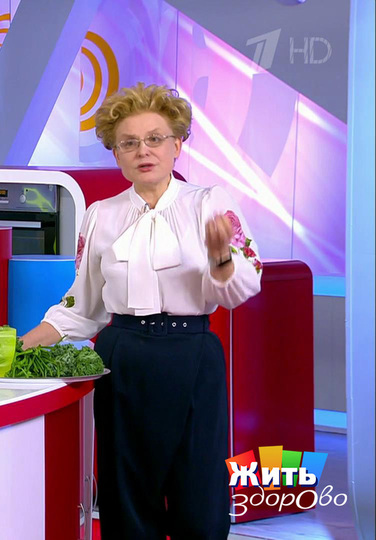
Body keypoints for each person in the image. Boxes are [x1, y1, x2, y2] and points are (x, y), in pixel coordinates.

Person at [20, 83, 262, 538]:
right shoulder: (100, 214)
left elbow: (243, 285)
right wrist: (20, 345)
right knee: (126, 493)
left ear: (177, 144)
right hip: (122, 357)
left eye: (154, 138)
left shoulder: (209, 202)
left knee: (199, 493)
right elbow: (82, 303)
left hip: (192, 354)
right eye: (128, 143)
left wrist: (221, 259)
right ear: (116, 153)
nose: (142, 151)